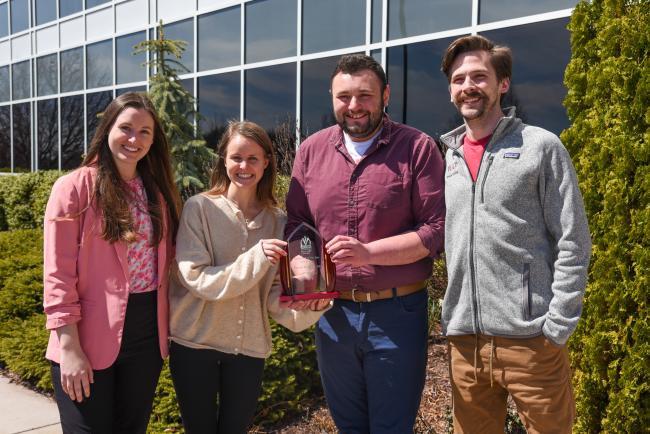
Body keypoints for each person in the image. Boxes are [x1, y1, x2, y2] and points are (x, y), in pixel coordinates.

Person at [438, 35, 592, 434]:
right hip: (465, 344)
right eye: (458, 79)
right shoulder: (448, 157)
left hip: (530, 342)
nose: (467, 86)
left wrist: (556, 326)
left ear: (502, 83)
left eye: (478, 76)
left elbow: (573, 240)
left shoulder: (540, 147)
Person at [285, 54, 445, 433]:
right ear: (332, 98)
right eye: (344, 97)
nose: (354, 106)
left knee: (392, 426)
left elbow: (435, 230)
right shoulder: (311, 151)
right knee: (349, 425)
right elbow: (298, 224)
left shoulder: (417, 148)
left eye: (364, 95)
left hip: (397, 313)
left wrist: (368, 252)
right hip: (333, 315)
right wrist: (303, 268)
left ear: (385, 95)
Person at [168, 121, 330, 434]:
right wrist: (256, 257)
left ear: (267, 162)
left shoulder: (277, 220)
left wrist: (311, 305)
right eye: (236, 158)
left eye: (253, 158)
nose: (244, 166)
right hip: (195, 346)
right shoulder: (198, 208)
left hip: (248, 350)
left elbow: (270, 294)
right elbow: (198, 279)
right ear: (224, 160)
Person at [43, 92, 181, 433]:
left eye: (145, 132)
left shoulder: (156, 193)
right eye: (126, 128)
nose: (135, 139)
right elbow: (58, 275)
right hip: (88, 334)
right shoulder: (73, 188)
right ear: (107, 129)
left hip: (147, 334)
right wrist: (69, 347)